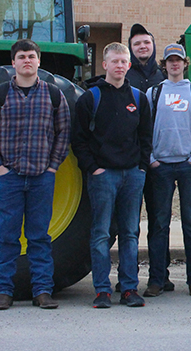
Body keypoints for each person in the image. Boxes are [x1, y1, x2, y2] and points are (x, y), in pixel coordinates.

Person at [0, 39, 70, 311]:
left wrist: (53, 166)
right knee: (7, 236)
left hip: (42, 176)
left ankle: (42, 291)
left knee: (39, 236)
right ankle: (2, 292)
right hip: (10, 177)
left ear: (39, 61)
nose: (27, 60)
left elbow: (64, 133)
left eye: (31, 56)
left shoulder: (54, 95)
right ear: (13, 62)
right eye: (22, 57)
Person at [72, 42, 152, 308]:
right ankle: (102, 290)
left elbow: (146, 137)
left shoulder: (139, 99)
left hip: (132, 175)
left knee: (130, 233)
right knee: (101, 233)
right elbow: (79, 139)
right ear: (104, 64)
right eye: (114, 61)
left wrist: (141, 167)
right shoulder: (90, 98)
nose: (119, 66)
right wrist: (93, 168)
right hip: (102, 177)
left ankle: (129, 289)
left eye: (123, 62)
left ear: (129, 65)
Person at [144, 43, 191, 297]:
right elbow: (144, 130)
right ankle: (157, 279)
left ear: (185, 63)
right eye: (170, 60)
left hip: (187, 166)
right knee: (159, 225)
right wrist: (151, 159)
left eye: (178, 60)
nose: (174, 64)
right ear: (164, 64)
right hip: (160, 167)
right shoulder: (154, 93)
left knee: (190, 224)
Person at [125, 23, 174, 295]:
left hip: (158, 165)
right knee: (129, 224)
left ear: (153, 46)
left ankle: (160, 276)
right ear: (131, 50)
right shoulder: (124, 76)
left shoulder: (163, 79)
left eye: (146, 43)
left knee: (159, 222)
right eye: (137, 44)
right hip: (130, 163)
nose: (142, 47)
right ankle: (127, 278)